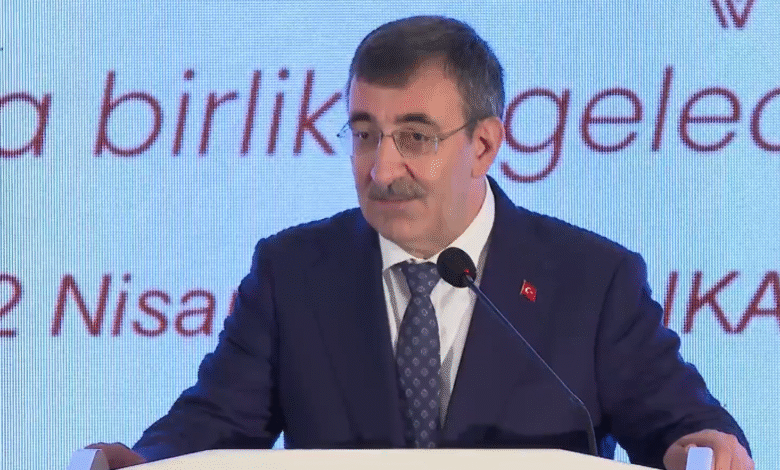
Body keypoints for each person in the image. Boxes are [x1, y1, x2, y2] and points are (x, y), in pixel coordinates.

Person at [88, 16, 754, 470]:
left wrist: (701, 446)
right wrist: (144, 464)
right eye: (364, 134)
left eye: (414, 137)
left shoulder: (591, 280)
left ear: (484, 145)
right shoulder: (293, 273)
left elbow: (683, 425)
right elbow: (214, 425)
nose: (382, 169)